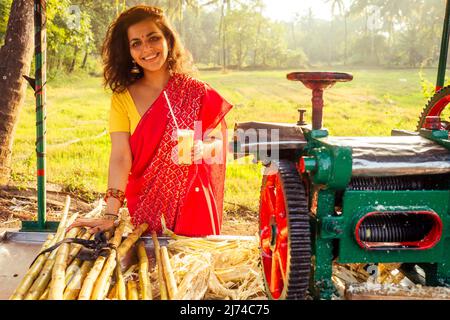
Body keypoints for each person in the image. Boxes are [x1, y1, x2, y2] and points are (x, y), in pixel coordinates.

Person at [68, 5, 232, 237]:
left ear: (168, 40)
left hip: (193, 204)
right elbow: (120, 157)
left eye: (153, 38)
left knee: (194, 268)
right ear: (129, 52)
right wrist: (110, 215)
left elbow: (221, 144)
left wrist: (204, 148)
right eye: (136, 43)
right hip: (147, 208)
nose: (146, 48)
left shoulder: (196, 92)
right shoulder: (122, 97)